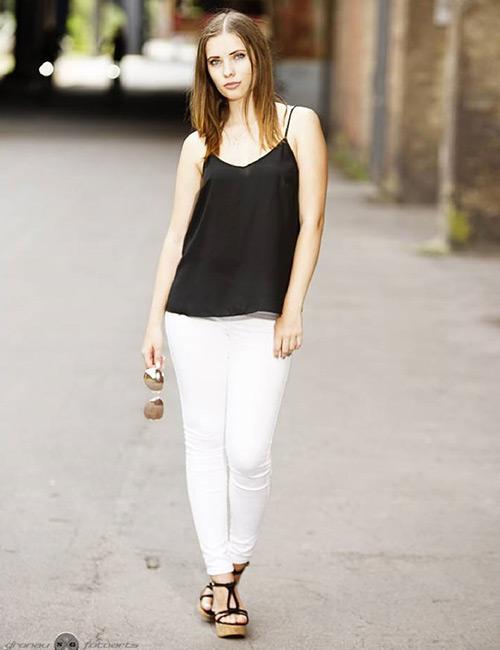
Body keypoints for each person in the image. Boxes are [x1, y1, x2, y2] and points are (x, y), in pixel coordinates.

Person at [141, 8, 327, 639]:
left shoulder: (301, 128)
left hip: (265, 317)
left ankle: (235, 560)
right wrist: (153, 323)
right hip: (193, 312)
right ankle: (221, 580)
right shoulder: (199, 143)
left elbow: (312, 224)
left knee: (248, 453)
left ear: (257, 56)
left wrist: (293, 306)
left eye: (236, 57)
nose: (226, 71)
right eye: (214, 61)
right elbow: (174, 238)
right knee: (204, 442)